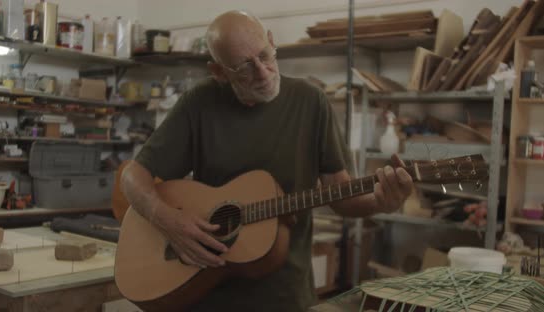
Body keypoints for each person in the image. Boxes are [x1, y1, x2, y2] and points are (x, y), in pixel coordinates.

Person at [121, 10, 413, 312]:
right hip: (202, 292)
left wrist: (381, 203)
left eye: (265, 55)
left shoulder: (311, 102)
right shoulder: (200, 102)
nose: (262, 72)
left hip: (285, 295)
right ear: (219, 71)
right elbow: (133, 176)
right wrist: (167, 220)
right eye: (244, 67)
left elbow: (341, 196)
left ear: (272, 42)